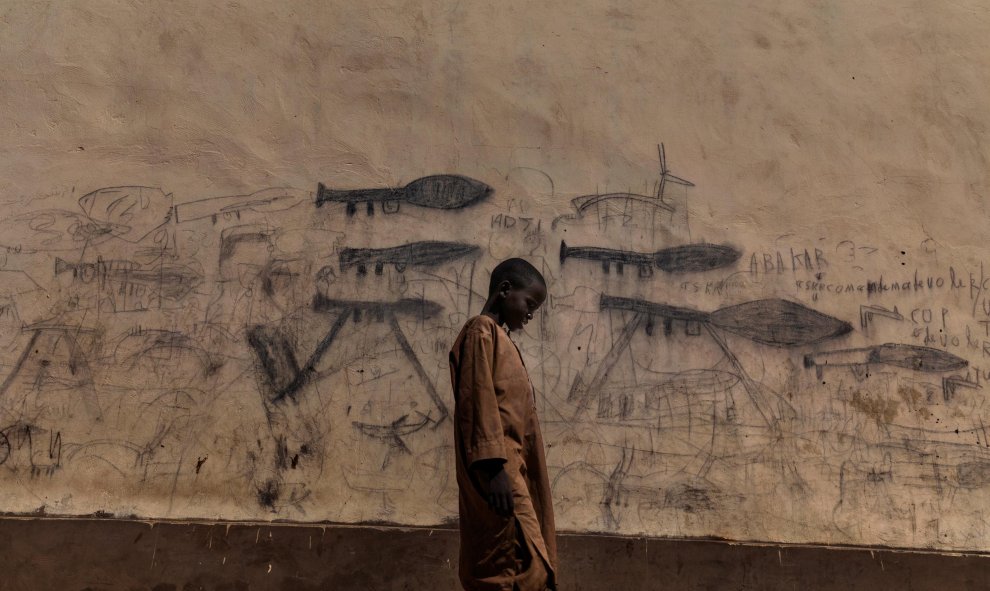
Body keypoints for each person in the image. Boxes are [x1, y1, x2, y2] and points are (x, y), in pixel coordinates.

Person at [448, 258, 557, 591]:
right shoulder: (482, 331)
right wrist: (494, 468)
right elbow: (477, 399)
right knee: (513, 566)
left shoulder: (501, 339)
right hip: (498, 471)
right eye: (529, 303)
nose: (530, 314)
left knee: (530, 562)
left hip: (515, 470)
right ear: (505, 290)